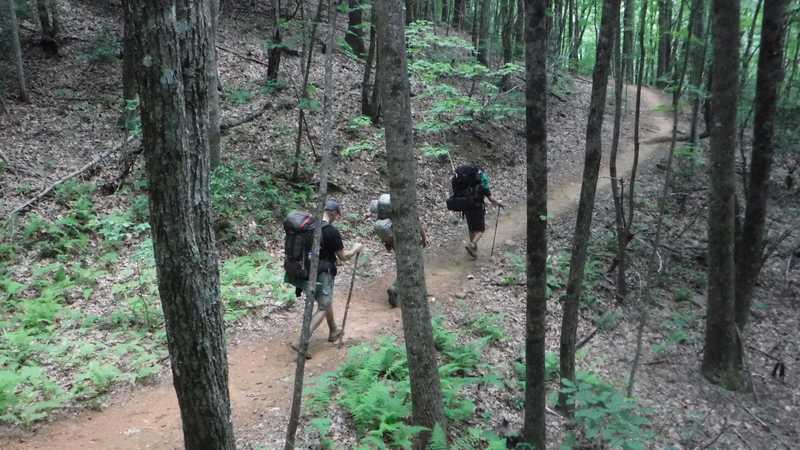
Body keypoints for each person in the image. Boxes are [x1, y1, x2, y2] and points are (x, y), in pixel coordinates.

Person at [296, 199, 363, 345]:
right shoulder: (330, 231)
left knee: (325, 301)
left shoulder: (310, 227)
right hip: (323, 273)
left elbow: (317, 251)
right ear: (332, 213)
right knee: (323, 306)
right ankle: (301, 341)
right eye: (337, 215)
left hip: (306, 271)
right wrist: (356, 248)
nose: (336, 219)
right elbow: (344, 256)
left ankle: (333, 330)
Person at [370, 194, 428, 307]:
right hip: (407, 239)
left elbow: (384, 227)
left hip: (393, 240)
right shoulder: (403, 205)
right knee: (410, 265)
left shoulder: (383, 210)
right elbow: (416, 221)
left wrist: (387, 243)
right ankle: (397, 287)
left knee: (403, 264)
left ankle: (405, 288)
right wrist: (424, 238)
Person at [463, 167, 503, 257]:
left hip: (467, 208)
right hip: (477, 209)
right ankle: (472, 244)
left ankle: (473, 249)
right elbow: (491, 199)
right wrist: (498, 203)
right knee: (481, 229)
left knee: (471, 228)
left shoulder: (466, 184)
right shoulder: (483, 186)